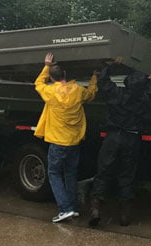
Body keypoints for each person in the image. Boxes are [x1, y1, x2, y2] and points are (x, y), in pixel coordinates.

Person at [89, 57, 151, 227]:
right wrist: (148, 80)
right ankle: (125, 216)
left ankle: (96, 208)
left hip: (112, 137)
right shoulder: (144, 101)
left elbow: (103, 81)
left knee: (103, 172)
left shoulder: (116, 94)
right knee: (127, 176)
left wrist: (110, 66)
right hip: (131, 138)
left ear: (126, 83)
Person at [34, 52, 98, 223]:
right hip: (73, 142)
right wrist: (94, 77)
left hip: (57, 142)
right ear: (64, 75)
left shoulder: (50, 92)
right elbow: (91, 94)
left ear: (52, 78)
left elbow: (38, 83)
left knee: (54, 174)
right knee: (70, 174)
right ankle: (74, 208)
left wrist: (46, 65)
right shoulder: (78, 91)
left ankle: (65, 209)